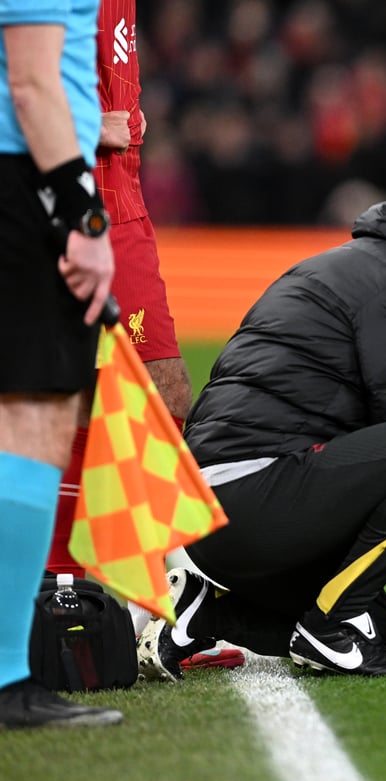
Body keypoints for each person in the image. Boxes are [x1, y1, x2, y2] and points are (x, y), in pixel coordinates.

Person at [135, 181, 386, 679]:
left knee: (380, 637)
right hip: (255, 498)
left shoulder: (353, 262)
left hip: (212, 506)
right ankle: (329, 622)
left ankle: (199, 615)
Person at [37, 0, 242, 673]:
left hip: (123, 203)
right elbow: (23, 84)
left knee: (142, 394)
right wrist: (94, 124)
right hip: (72, 202)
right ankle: (94, 598)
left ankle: (124, 601)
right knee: (101, 393)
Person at [0, 1, 124, 727]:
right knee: (34, 412)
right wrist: (84, 215)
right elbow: (33, 81)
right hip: (23, 180)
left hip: (21, 176)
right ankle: (9, 676)